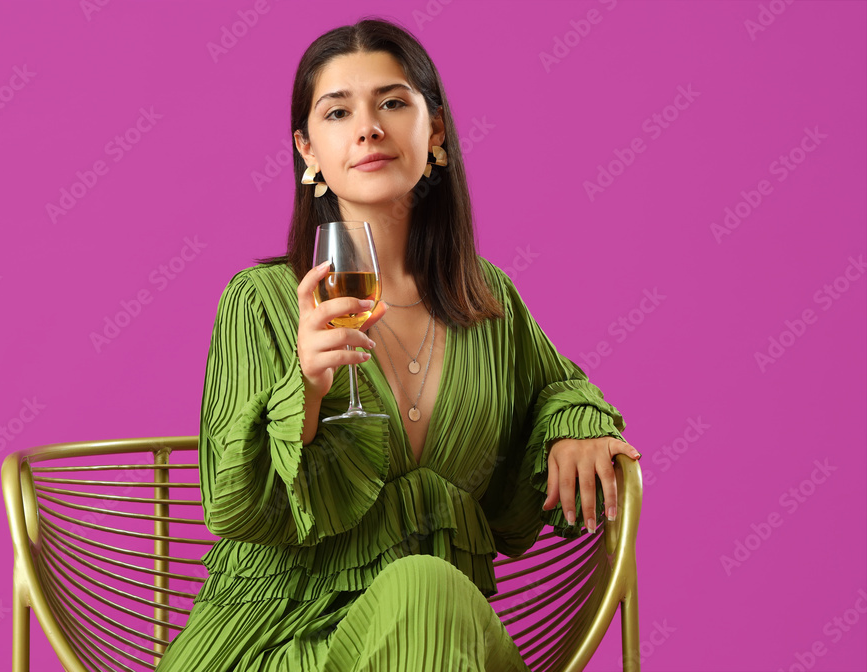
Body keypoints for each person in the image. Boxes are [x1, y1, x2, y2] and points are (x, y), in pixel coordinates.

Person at [156, 16, 641, 672]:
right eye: (337, 112)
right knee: (428, 592)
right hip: (276, 641)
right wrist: (305, 387)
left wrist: (575, 426)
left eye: (392, 102)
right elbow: (231, 503)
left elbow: (557, 387)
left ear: (434, 130)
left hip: (438, 640)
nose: (368, 127)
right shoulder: (262, 300)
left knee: (430, 596)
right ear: (308, 151)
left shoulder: (486, 301)